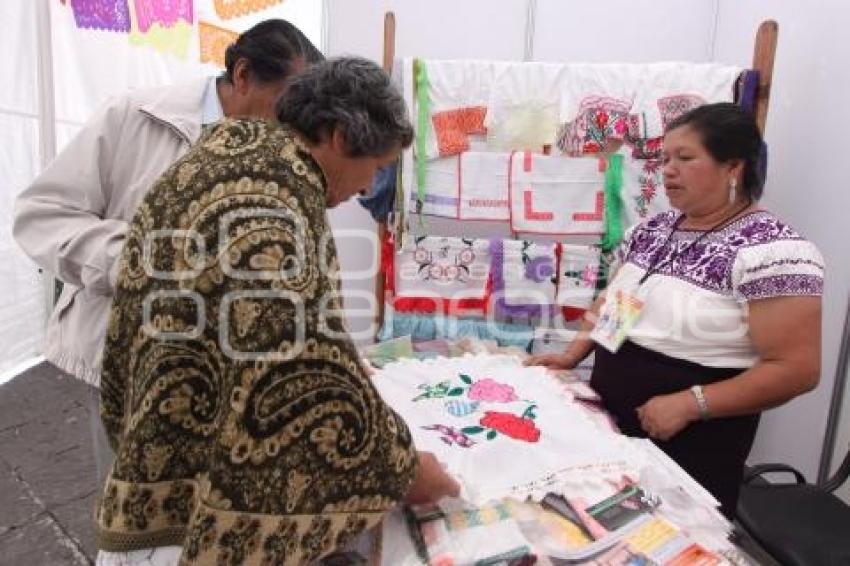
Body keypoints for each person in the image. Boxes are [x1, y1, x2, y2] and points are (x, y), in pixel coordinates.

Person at [94, 57, 460, 565]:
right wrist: (404, 470)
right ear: (337, 135)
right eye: (374, 170)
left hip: (160, 437)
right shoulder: (274, 199)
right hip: (190, 514)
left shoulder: (225, 154)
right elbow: (302, 372)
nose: (363, 190)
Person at [13, 19, 323, 482]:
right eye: (286, 105)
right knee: (129, 514)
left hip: (223, 376)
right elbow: (42, 214)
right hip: (128, 364)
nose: (292, 126)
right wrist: (140, 261)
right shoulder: (133, 117)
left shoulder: (281, 151)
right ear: (242, 76)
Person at [528, 102, 823, 518]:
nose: (667, 169)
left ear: (733, 167)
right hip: (613, 422)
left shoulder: (774, 251)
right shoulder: (652, 231)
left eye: (685, 158)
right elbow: (615, 301)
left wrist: (690, 403)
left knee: (673, 538)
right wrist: (572, 355)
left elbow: (796, 369)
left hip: (693, 438)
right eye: (665, 158)